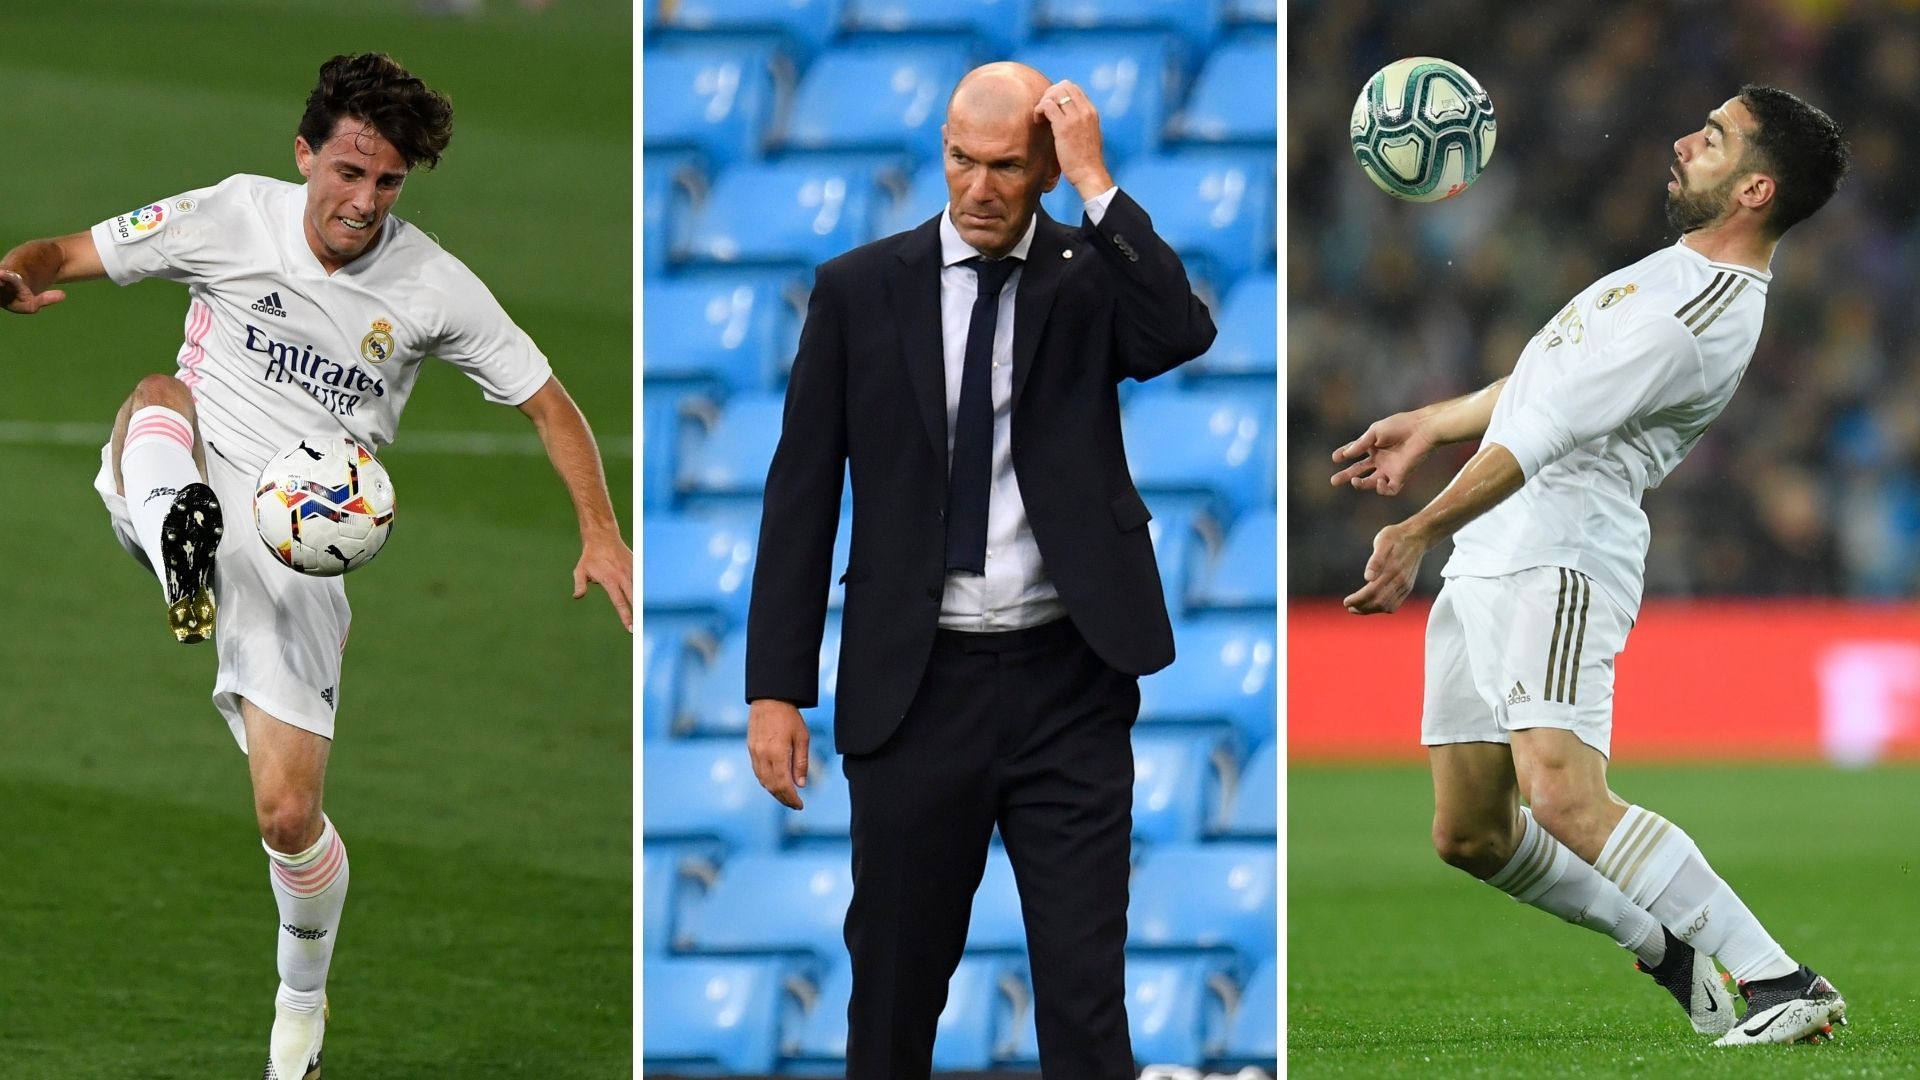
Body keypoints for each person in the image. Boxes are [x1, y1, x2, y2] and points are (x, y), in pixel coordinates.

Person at [0, 53, 631, 1079]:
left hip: (304, 543)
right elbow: (64, 252)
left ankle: (302, 1005)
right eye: (347, 172)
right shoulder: (232, 215)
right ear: (305, 155)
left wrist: (601, 530)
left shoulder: (432, 285)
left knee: (288, 815)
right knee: (160, 393)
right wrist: (16, 276)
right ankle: (181, 549)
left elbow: (548, 402)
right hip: (190, 468)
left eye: (386, 182)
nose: (363, 201)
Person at [1331, 85, 1849, 1046]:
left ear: (1755, 189)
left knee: (1563, 793)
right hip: (1495, 553)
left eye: (1717, 137)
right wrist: (1433, 421)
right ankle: (1667, 948)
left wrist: (1416, 530)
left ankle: (1781, 979)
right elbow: (1546, 378)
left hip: (1558, 554)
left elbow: (1543, 432)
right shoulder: (1671, 272)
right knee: (1471, 835)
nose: (1687, 138)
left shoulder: (1693, 313)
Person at [743, 62, 1215, 1078]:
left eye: (1008, 165)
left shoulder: (1092, 275)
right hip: (918, 690)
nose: (980, 186)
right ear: (942, 151)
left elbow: (1180, 332)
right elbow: (801, 495)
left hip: (1071, 685)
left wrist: (1100, 183)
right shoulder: (858, 290)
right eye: (963, 159)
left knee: (1086, 999)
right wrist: (777, 687)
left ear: (1044, 168)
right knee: (895, 995)